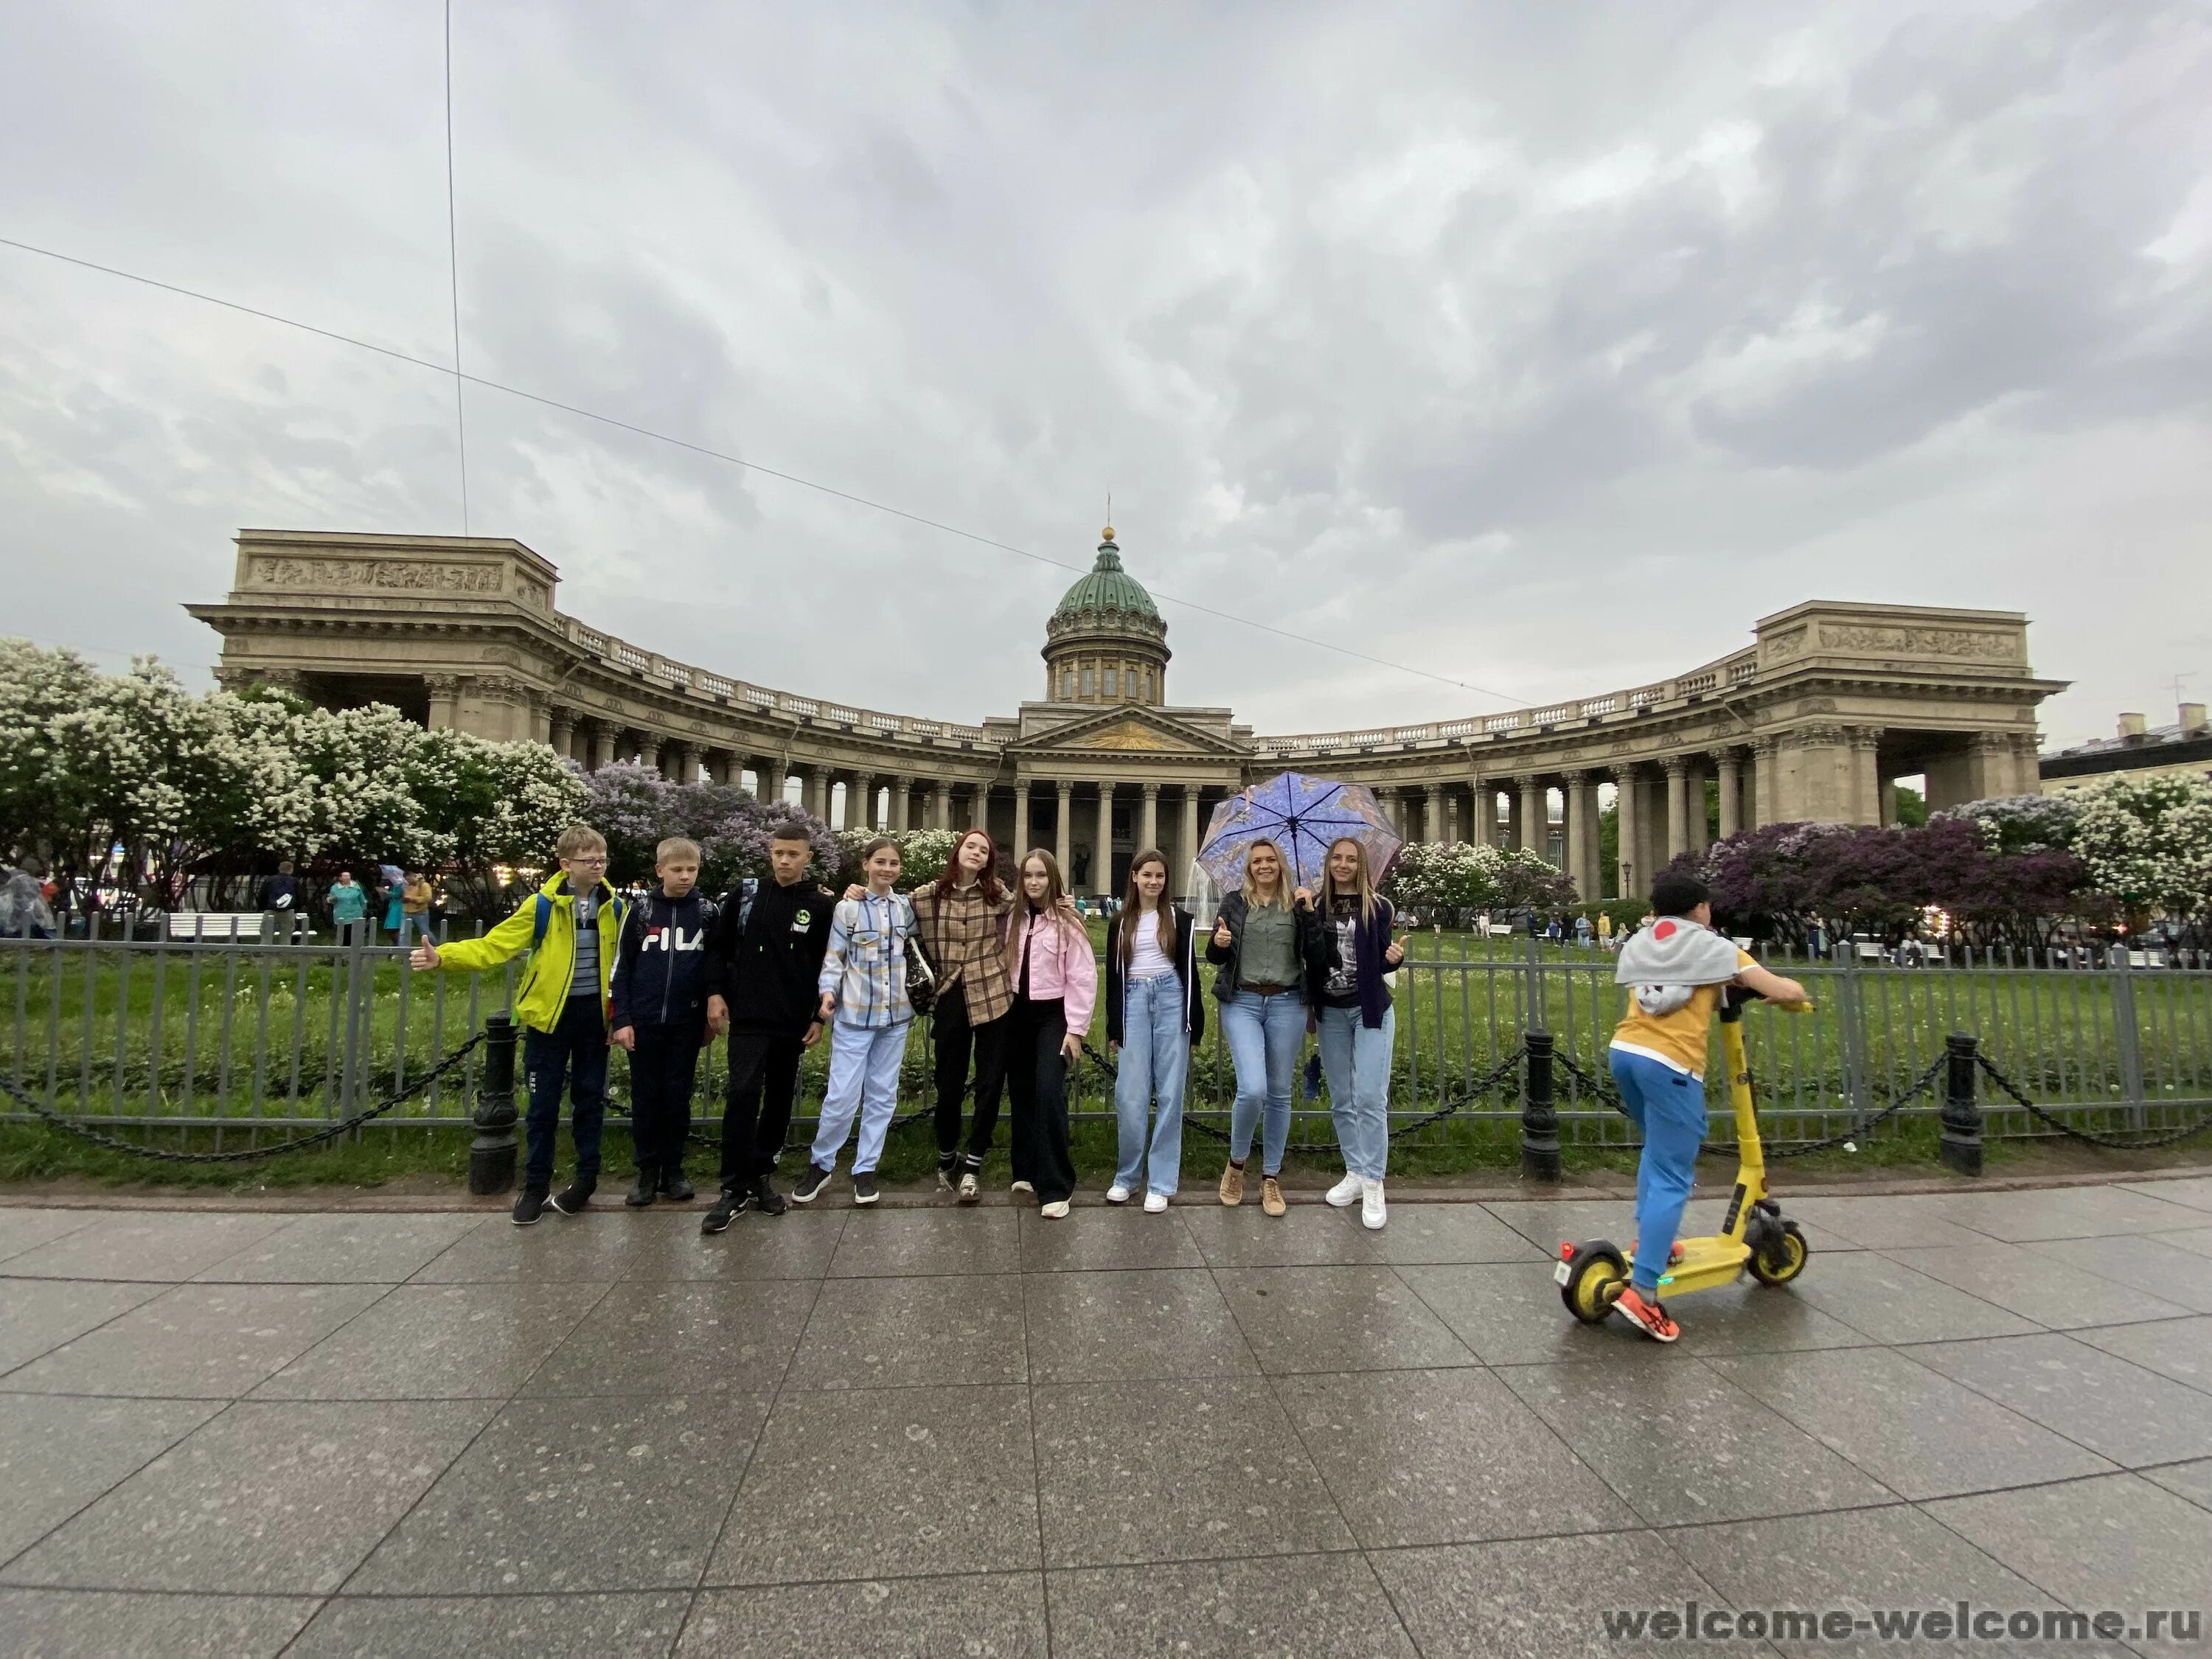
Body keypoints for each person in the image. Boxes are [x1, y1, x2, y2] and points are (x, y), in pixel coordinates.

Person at [1606, 872, 1807, 1343]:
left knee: (1656, 1153)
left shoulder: (1641, 941)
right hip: (1672, 1066)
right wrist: (1795, 994)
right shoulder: (1715, 948)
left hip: (1626, 1053)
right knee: (1674, 1173)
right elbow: (1780, 989)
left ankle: (1649, 1243)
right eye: (1707, 906)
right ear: (1700, 907)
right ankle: (1645, 1293)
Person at [411, 824, 627, 1225]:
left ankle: (585, 1180)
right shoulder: (542, 906)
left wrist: (621, 1017)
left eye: (602, 859)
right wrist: (444, 957)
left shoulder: (615, 908)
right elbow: (496, 945)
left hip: (594, 1020)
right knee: (542, 1108)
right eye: (589, 860)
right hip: (548, 1020)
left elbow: (623, 967)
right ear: (565, 864)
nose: (598, 866)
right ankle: (536, 1186)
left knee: (590, 1103)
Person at [699, 822, 836, 1231]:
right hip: (749, 1015)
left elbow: (825, 966)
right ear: (770, 854)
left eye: (793, 854)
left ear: (807, 857)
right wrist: (715, 994)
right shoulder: (747, 894)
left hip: (792, 1019)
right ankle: (733, 1186)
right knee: (742, 1093)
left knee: (778, 1100)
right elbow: (719, 947)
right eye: (778, 853)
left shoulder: (820, 904)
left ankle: (761, 1176)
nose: (784, 860)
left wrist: (817, 1017)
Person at [793, 837, 920, 1207]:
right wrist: (827, 994)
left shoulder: (905, 908)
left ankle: (866, 1168)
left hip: (895, 1015)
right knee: (842, 1096)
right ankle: (822, 1163)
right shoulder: (846, 910)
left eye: (893, 863)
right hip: (854, 1015)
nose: (887, 869)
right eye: (880, 861)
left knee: (882, 1096)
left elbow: (915, 953)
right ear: (866, 864)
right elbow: (834, 958)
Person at [906, 829, 1015, 1203]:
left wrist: (1063, 905)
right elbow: (886, 906)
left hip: (993, 995)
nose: (977, 853)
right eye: (971, 846)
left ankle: (974, 1163)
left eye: (984, 850)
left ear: (988, 860)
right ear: (958, 852)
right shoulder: (927, 896)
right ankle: (946, 1154)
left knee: (989, 1085)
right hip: (951, 996)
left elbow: (1034, 911)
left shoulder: (998, 895)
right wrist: (854, 894)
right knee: (948, 1084)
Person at [610, 837, 719, 1207]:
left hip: (686, 1022)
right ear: (660, 871)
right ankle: (646, 1170)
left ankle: (674, 1168)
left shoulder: (707, 912)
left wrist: (710, 1013)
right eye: (677, 870)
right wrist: (621, 1018)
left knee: (677, 1097)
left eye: (691, 870)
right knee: (645, 1097)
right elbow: (622, 969)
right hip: (644, 1021)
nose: (685, 876)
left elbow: (716, 968)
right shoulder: (641, 911)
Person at [1207, 838, 1312, 1219]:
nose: (1264, 866)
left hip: (1287, 1001)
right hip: (1243, 1001)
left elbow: (1316, 953)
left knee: (1280, 1092)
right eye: (1257, 861)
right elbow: (1216, 954)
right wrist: (1219, 943)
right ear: (1249, 868)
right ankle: (1237, 1164)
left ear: (1281, 864)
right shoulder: (1235, 901)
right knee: (1253, 1089)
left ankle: (1271, 1176)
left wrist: (1312, 914)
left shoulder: (1299, 904)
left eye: (1270, 860)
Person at [1307, 836, 1406, 1231]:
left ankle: (1374, 1180)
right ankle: (1354, 1171)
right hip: (1330, 1012)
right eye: (1337, 858)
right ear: (1329, 863)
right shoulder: (1315, 905)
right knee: (1342, 1099)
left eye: (1351, 859)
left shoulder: (1378, 906)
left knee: (1369, 1096)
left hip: (1370, 1010)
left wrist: (1394, 959)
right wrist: (1303, 914)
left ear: (1361, 865)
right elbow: (1309, 956)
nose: (1343, 864)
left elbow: (1380, 961)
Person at [1105, 847, 1205, 1211]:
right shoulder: (1120, 921)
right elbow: (1113, 978)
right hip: (1133, 998)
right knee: (1129, 1094)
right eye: (1147, 874)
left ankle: (1161, 1182)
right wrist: (1114, 1025)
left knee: (1170, 1093)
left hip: (1170, 998)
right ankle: (1127, 1176)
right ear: (1134, 877)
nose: (1153, 881)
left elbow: (1190, 972)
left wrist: (1196, 1024)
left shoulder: (1180, 919)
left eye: (1160, 876)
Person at [1004, 848, 1095, 1219]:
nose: (1034, 882)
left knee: (1048, 1093)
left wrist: (1076, 1030)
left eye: (1041, 875)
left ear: (1052, 878)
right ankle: (1025, 1170)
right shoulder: (1011, 918)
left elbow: (1083, 977)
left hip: (1052, 1015)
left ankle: (1056, 1183)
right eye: (1028, 876)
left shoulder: (1068, 922)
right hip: (1016, 1011)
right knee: (1022, 1092)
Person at [327, 871, 368, 944]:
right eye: (345, 876)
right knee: (344, 934)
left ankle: (355, 951)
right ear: (340, 878)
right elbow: (331, 900)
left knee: (355, 934)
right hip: (342, 914)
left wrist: (363, 909)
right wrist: (332, 899)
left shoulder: (356, 886)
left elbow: (362, 899)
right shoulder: (335, 888)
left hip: (356, 913)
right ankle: (344, 951)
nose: (347, 877)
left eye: (349, 876)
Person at [399, 869, 434, 947]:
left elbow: (427, 898)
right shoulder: (405, 886)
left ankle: (434, 947)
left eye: (409, 879)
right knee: (403, 933)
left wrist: (413, 899)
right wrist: (404, 899)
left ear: (415, 876)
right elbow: (405, 896)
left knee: (425, 932)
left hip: (420, 912)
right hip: (406, 911)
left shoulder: (424, 885)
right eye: (406, 879)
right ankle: (401, 951)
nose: (408, 881)